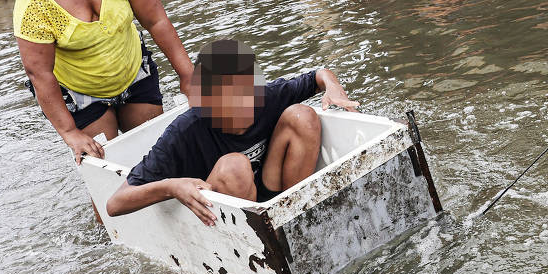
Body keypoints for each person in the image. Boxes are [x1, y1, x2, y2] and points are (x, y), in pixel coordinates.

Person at [12, 0, 193, 164]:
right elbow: (39, 74)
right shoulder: (33, 0)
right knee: (109, 174)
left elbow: (157, 21)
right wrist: (69, 132)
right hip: (81, 94)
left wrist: (188, 75)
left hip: (133, 73)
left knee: (162, 159)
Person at [105, 39, 360, 224]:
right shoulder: (184, 131)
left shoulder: (265, 97)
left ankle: (296, 212)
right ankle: (260, 237)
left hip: (270, 188)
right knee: (235, 166)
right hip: (227, 208)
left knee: (303, 115)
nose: (242, 110)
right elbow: (115, 204)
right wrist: (171, 187)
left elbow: (319, 75)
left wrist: (333, 87)